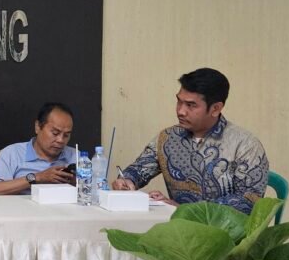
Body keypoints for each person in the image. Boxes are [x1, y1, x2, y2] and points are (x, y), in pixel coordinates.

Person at [112, 68, 268, 213]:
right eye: (179, 101)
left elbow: (248, 202)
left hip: (226, 233)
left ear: (216, 108)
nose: (181, 111)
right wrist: (127, 180)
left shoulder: (245, 145)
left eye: (191, 105)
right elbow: (140, 169)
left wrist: (185, 210)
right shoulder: (168, 138)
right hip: (179, 230)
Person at [0, 103, 77, 195]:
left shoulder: (76, 157)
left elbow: (86, 192)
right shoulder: (12, 153)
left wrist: (77, 183)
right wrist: (37, 177)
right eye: (55, 133)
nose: (60, 140)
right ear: (37, 127)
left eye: (66, 135)